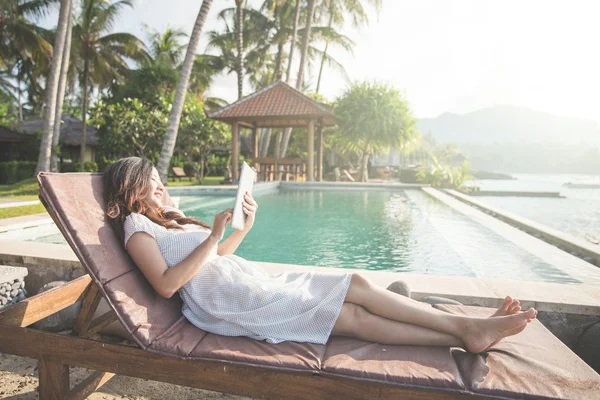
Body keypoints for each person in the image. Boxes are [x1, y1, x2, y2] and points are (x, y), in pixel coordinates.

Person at [103, 157, 537, 353]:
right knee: (352, 317)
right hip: (231, 303)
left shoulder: (169, 220)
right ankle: (466, 332)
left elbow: (212, 260)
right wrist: (211, 234)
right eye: (152, 181)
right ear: (131, 189)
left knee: (357, 286)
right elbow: (166, 283)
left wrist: (238, 230)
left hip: (245, 282)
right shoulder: (136, 228)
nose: (161, 186)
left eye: (160, 179)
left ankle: (468, 331)